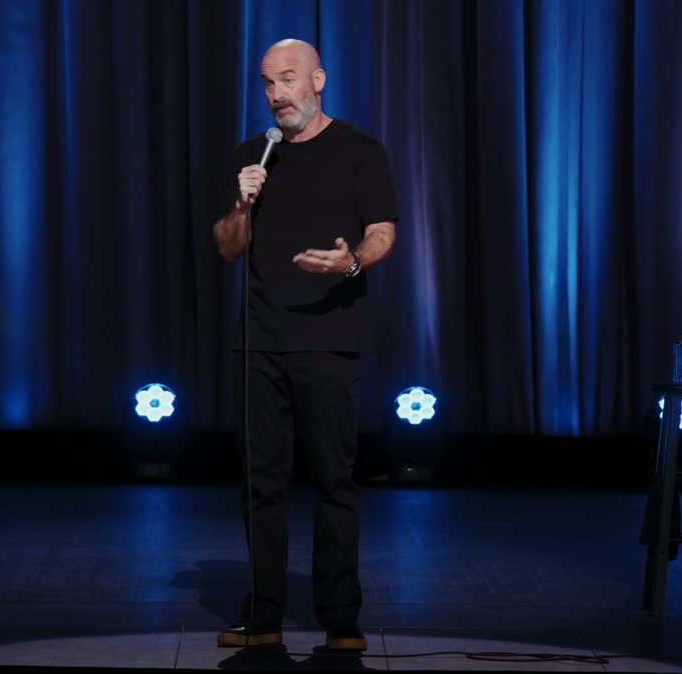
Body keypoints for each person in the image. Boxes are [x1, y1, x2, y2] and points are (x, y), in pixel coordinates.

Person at [210, 39, 397, 652]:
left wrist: (351, 263)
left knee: (333, 481)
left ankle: (341, 620)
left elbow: (382, 231)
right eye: (267, 83)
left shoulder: (360, 151)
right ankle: (263, 615)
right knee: (261, 483)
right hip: (259, 344)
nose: (276, 94)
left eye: (287, 79)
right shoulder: (253, 156)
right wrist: (243, 202)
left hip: (328, 338)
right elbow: (228, 246)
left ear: (318, 79)